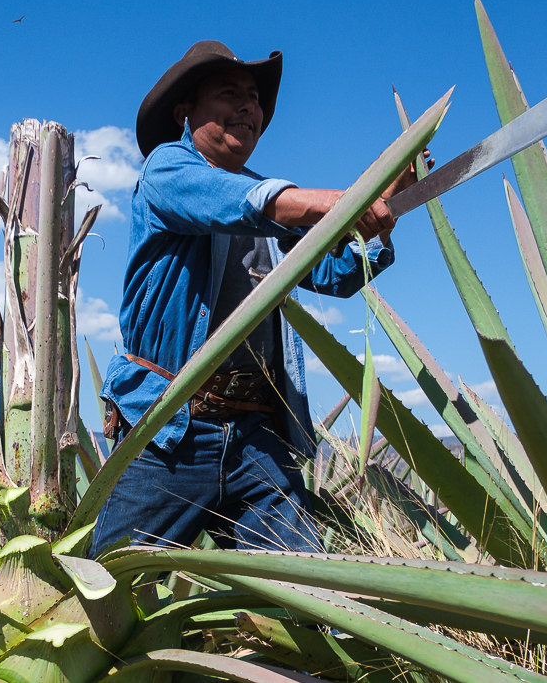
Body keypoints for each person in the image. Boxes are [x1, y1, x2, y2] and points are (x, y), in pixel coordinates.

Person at [91, 41, 423, 555]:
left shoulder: (266, 205)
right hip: (170, 430)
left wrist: (385, 208)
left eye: (255, 98)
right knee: (110, 593)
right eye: (230, 93)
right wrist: (341, 203)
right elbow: (235, 203)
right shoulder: (169, 171)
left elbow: (333, 273)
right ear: (186, 112)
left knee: (312, 595)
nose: (250, 106)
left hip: (255, 433)